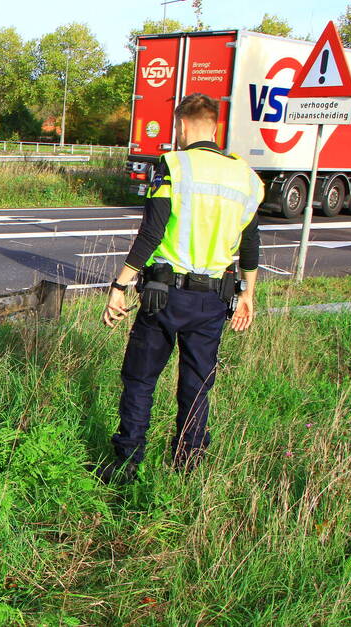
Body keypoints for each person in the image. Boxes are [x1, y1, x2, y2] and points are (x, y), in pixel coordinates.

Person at [99, 93, 264, 481]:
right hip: (213, 301)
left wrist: (120, 284)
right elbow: (251, 244)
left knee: (140, 379)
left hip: (164, 297)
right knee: (197, 383)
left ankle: (127, 463)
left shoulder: (174, 166)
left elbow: (151, 232)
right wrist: (247, 295)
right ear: (215, 125)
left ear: (183, 125)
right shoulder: (247, 177)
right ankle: (188, 464)